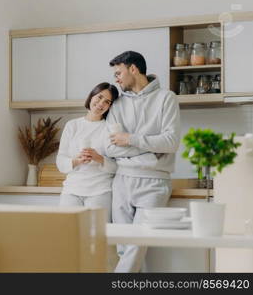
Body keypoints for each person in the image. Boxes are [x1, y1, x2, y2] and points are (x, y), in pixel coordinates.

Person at [106, 51, 181, 272]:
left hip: (154, 183)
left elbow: (170, 142)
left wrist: (129, 139)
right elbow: (110, 147)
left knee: (135, 248)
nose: (116, 79)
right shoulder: (118, 104)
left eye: (118, 73)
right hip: (121, 181)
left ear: (133, 69)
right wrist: (150, 151)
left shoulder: (166, 98)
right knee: (124, 248)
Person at [56, 82, 118, 222]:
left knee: (97, 238)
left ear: (110, 106)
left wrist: (99, 158)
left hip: (100, 191)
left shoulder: (110, 128)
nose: (101, 103)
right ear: (91, 96)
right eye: (99, 97)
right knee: (66, 235)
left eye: (107, 101)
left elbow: (117, 167)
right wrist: (76, 161)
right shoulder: (72, 125)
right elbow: (60, 162)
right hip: (71, 190)